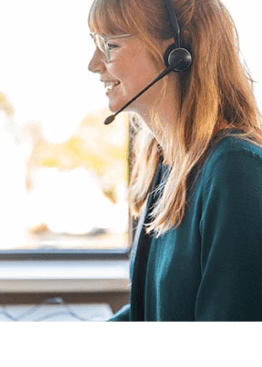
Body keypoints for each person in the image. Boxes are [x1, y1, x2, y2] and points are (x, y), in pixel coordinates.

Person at [88, 0, 262, 321]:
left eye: (109, 44)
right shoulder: (166, 160)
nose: (94, 63)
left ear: (177, 54)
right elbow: (147, 320)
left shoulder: (235, 170)